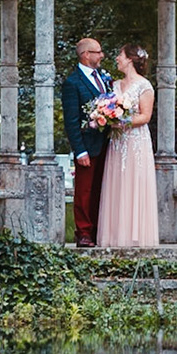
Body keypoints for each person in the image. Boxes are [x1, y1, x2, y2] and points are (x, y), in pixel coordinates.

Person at [96, 43, 158, 248]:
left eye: (120, 55)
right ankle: (114, 236)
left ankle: (136, 236)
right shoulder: (114, 86)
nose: (117, 59)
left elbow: (145, 116)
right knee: (116, 182)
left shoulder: (144, 86)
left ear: (130, 59)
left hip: (136, 141)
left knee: (135, 182)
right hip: (117, 142)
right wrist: (106, 117)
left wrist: (122, 121)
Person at [61, 37, 113, 247]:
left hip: (108, 143)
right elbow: (71, 121)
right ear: (85, 55)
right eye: (98, 52)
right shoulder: (72, 83)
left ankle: (99, 230)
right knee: (84, 191)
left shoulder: (104, 78)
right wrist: (79, 150)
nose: (101, 56)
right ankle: (83, 232)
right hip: (87, 145)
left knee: (102, 188)